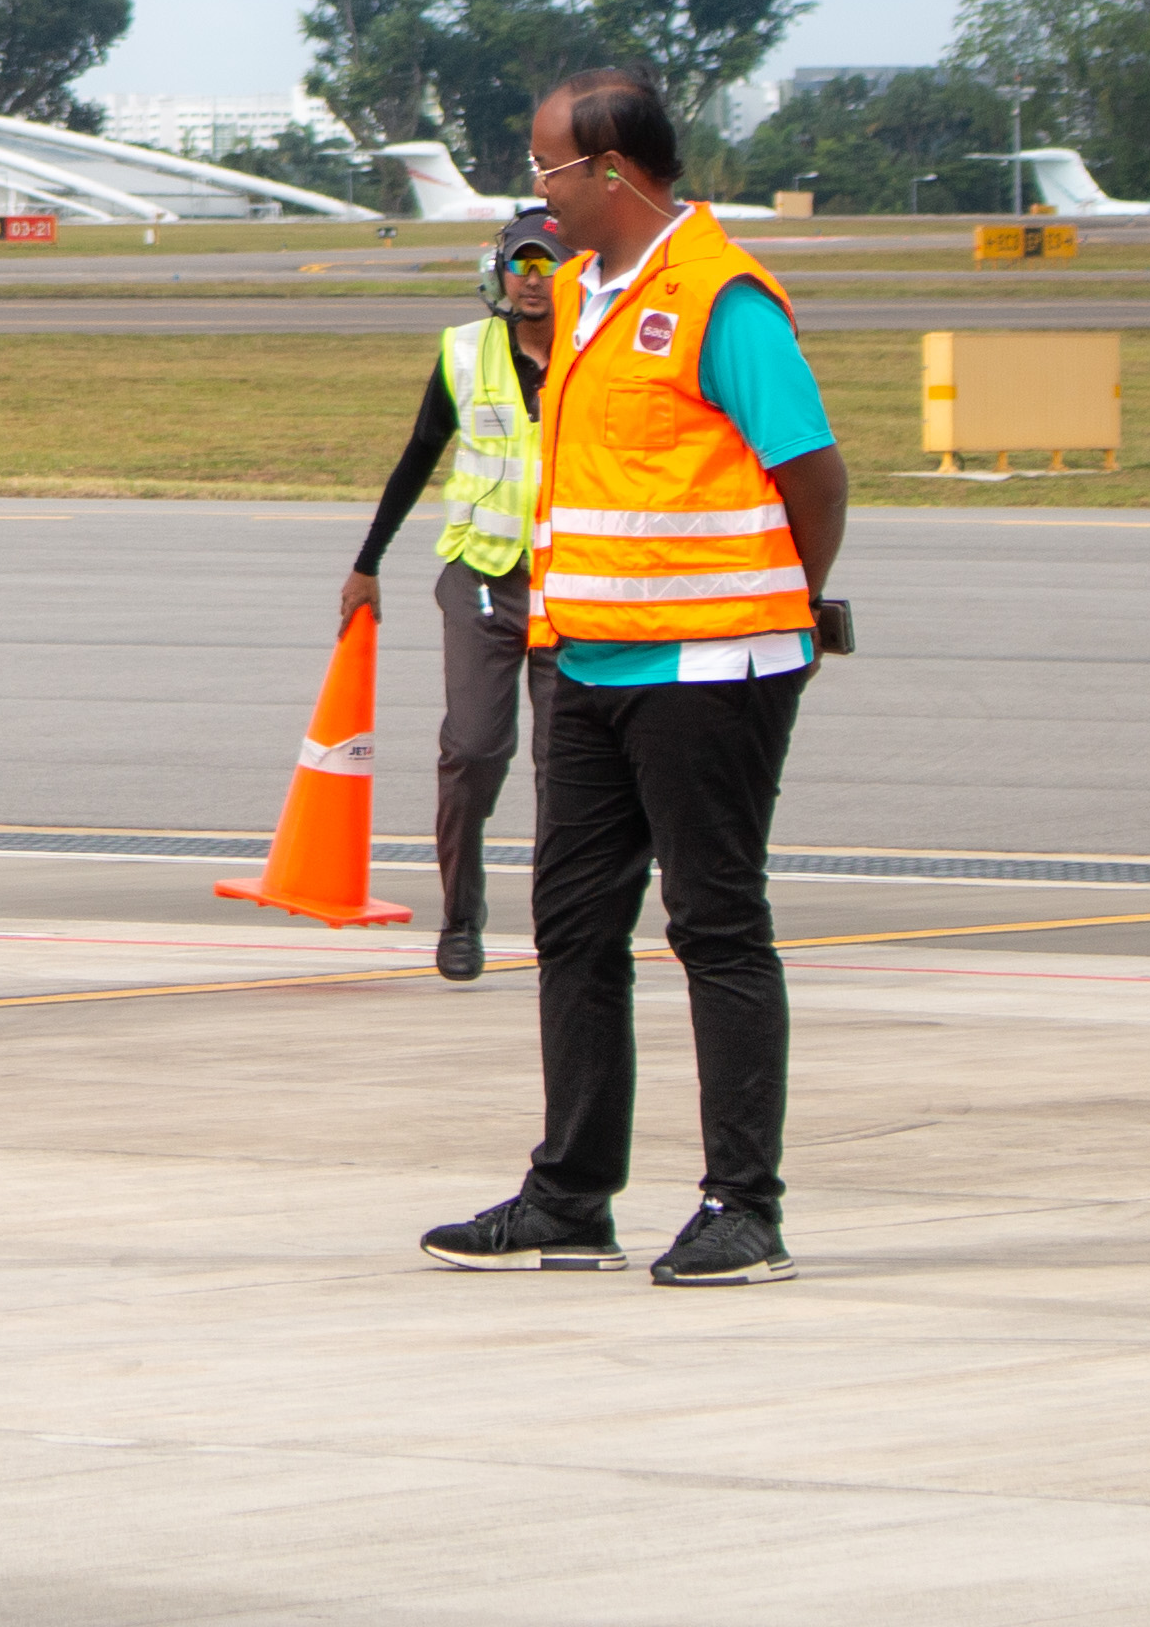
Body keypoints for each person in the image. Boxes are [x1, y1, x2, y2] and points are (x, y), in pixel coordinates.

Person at [422, 66, 847, 1290]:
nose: (536, 193)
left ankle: (743, 1206)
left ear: (612, 173)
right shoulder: (593, 295)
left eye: (548, 169)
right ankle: (570, 1195)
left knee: (715, 924)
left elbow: (813, 476)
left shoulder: (720, 298)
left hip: (716, 662)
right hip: (594, 661)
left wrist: (785, 601)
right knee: (574, 926)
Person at [339, 201, 571, 983]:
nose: (535, 279)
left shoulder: (600, 357)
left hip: (574, 591)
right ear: (499, 271)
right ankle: (462, 918)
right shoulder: (466, 354)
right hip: (482, 580)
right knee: (473, 750)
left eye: (550, 263)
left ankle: (564, 927)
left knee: (564, 766)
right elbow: (419, 455)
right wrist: (368, 561)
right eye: (523, 262)